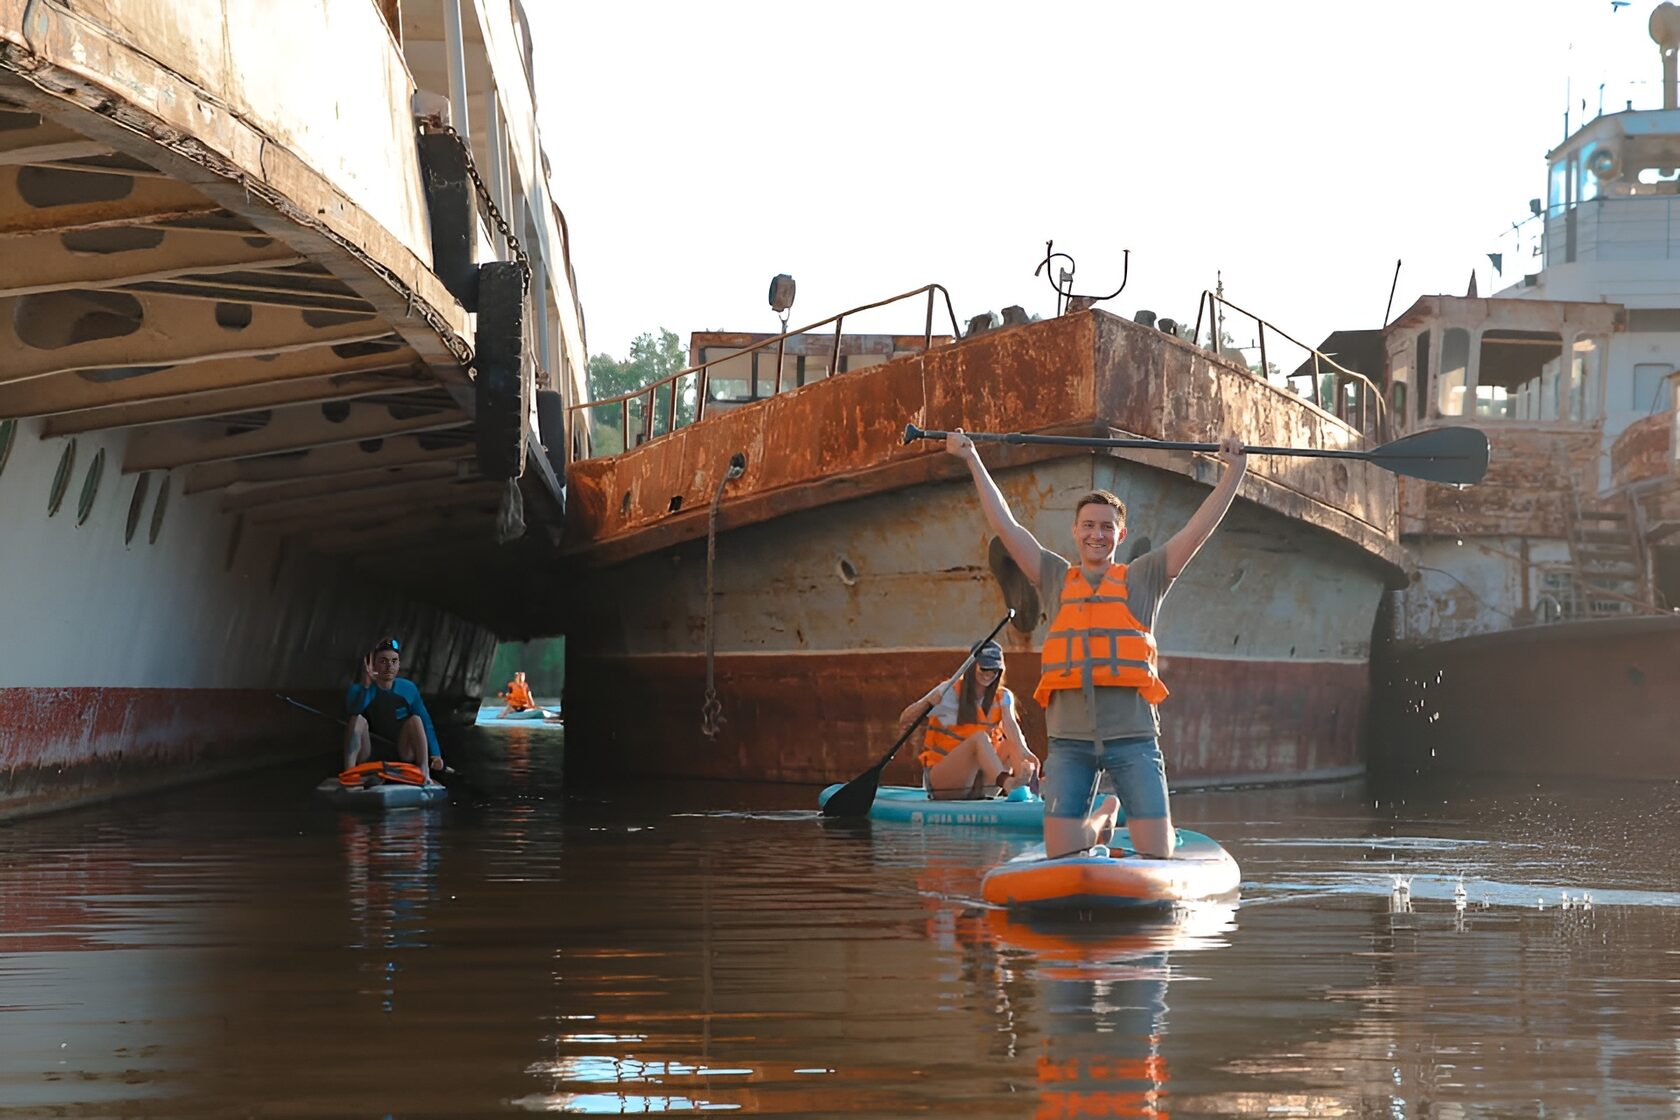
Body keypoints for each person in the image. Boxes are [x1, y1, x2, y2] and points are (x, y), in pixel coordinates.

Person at [945, 429, 1248, 858]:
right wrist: (972, 458)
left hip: (1134, 739)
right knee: (1060, 851)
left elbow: (1197, 531)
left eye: (1107, 528)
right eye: (1088, 526)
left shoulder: (1145, 578)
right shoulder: (1053, 576)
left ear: (1120, 536)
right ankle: (1104, 817)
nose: (1096, 535)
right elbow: (1005, 525)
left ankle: (1118, 815)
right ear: (1074, 531)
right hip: (1070, 741)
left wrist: (1235, 472)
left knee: (1158, 852)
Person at [899, 640, 1039, 800]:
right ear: (972, 666)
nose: (989, 674)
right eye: (985, 668)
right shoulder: (948, 691)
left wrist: (1025, 752)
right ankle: (1008, 784)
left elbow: (1011, 725)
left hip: (979, 785)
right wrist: (927, 702)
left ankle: (1021, 792)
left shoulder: (1003, 696)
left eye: (994, 670)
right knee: (979, 738)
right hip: (944, 784)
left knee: (1011, 745)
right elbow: (905, 719)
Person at [343, 637, 444, 782]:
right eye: (383, 661)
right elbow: (352, 711)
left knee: (416, 719)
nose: (389, 666)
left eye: (394, 661)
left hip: (402, 751)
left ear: (398, 665)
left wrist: (436, 754)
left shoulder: (408, 689)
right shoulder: (357, 690)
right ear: (373, 665)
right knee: (356, 719)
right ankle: (349, 774)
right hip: (368, 752)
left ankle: (424, 772)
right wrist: (366, 687)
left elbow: (426, 722)